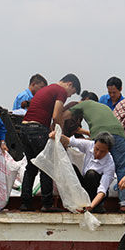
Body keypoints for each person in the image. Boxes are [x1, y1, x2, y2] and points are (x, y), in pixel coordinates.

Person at [64, 98, 125, 213]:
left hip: (100, 133)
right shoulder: (103, 107)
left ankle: (95, 203)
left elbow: (64, 115)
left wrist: (55, 126)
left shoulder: (82, 105)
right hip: (119, 134)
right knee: (123, 170)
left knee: (94, 170)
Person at [19, 73, 80, 212]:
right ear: (70, 84)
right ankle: (47, 204)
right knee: (46, 165)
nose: (69, 96)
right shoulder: (61, 91)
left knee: (31, 167)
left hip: (24, 128)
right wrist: (61, 135)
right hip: (38, 129)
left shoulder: (46, 89)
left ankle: (25, 203)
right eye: (72, 93)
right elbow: (56, 115)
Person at [49, 130, 116, 213]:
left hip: (95, 193)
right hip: (84, 187)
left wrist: (91, 206)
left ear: (108, 151)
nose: (98, 154)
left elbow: (102, 190)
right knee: (70, 167)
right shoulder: (89, 145)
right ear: (94, 144)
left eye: (102, 152)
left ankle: (96, 206)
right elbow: (70, 141)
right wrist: (57, 136)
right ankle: (76, 202)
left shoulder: (109, 164)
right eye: (96, 149)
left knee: (91, 174)